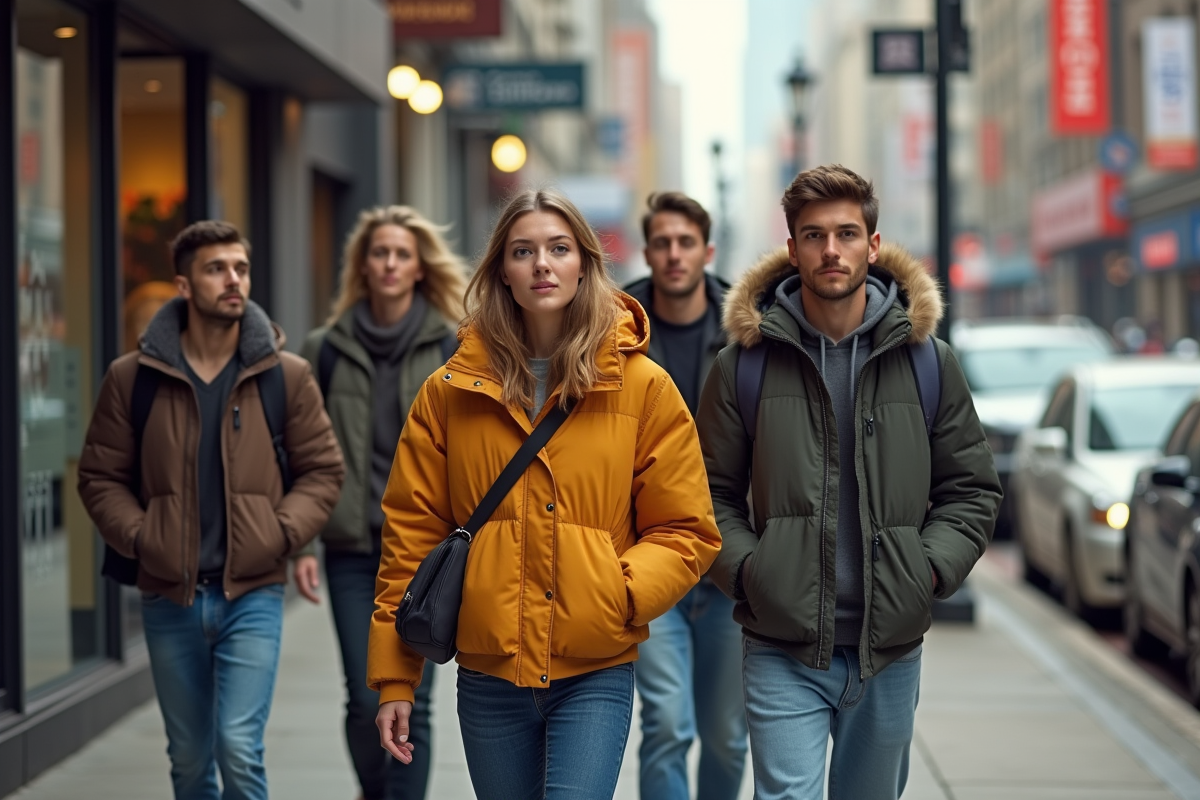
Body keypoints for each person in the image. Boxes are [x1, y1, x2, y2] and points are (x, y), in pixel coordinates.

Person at [368, 188, 722, 800]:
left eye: (558, 249)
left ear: (584, 263)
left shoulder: (642, 386)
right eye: (522, 251)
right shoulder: (449, 392)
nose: (541, 264)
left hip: (594, 669)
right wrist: (397, 680)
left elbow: (686, 528)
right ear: (501, 272)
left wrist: (620, 591)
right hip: (488, 673)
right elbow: (413, 534)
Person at [696, 165, 1000, 800]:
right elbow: (706, 496)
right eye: (813, 236)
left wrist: (929, 570)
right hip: (782, 644)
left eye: (846, 233)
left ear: (873, 244)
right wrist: (753, 573)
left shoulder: (928, 362)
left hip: (887, 646)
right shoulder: (742, 366)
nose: (831, 250)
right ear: (792, 250)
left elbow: (971, 489)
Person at [78, 220, 345, 800]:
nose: (233, 280)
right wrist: (143, 535)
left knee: (238, 747)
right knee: (191, 759)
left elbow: (323, 472)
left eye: (241, 268)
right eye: (216, 269)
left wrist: (279, 533)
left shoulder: (285, 376)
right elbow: (100, 477)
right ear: (183, 285)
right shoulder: (132, 379)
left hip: (252, 592)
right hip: (169, 596)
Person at [292, 206, 468, 800]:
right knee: (362, 694)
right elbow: (303, 454)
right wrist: (306, 543)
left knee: (412, 700)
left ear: (420, 268)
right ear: (362, 267)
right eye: (379, 253)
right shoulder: (325, 350)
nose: (390, 263)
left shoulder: (451, 346)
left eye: (401, 253)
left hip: (424, 553)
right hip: (350, 549)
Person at [623, 191, 747, 800]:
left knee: (727, 736)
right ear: (648, 252)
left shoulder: (747, 333)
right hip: (649, 558)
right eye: (663, 243)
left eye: (686, 243)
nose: (674, 255)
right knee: (667, 724)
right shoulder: (612, 334)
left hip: (726, 565)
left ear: (707, 251)